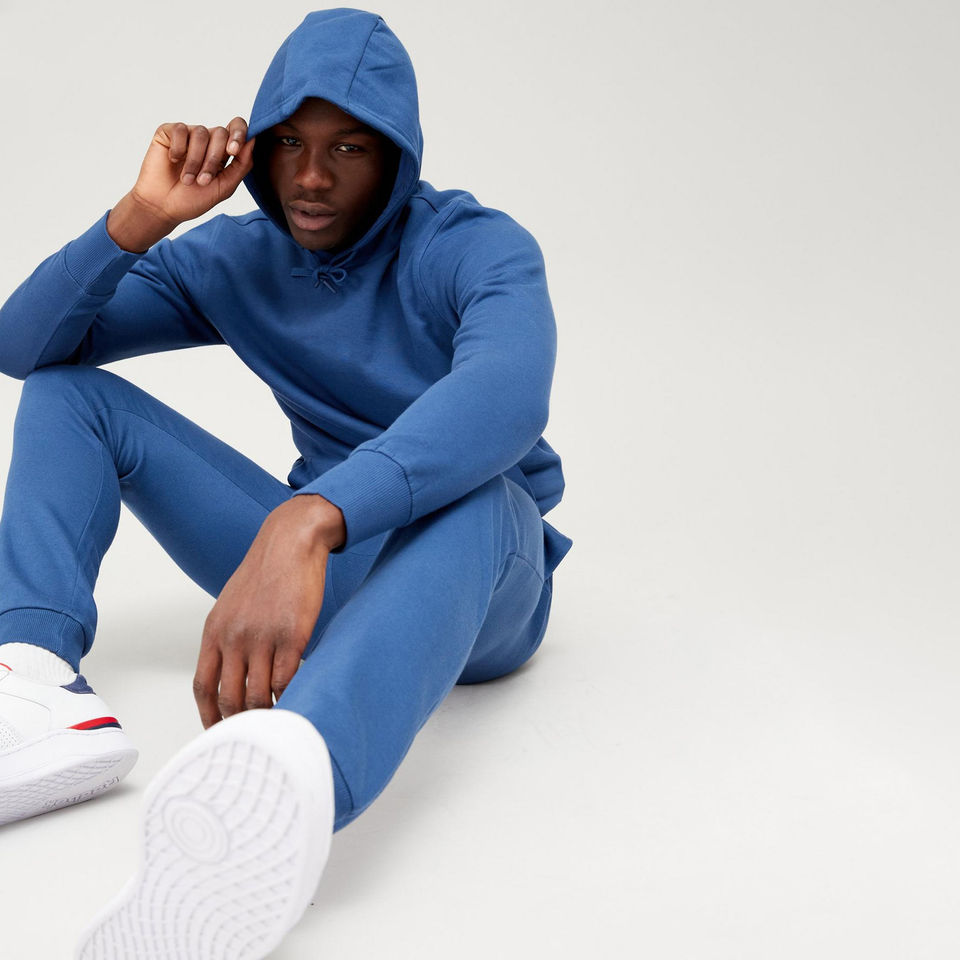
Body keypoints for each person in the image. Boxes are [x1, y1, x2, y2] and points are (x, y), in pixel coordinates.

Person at [0, 7, 572, 958]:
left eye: (349, 147)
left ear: (396, 157)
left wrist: (313, 515)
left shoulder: (475, 246)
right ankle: (30, 684)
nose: (311, 177)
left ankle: (290, 785)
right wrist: (141, 219)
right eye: (291, 144)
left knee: (485, 492)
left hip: (477, 583)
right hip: (312, 575)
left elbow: (508, 394)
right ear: (256, 150)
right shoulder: (238, 261)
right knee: (70, 394)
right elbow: (23, 347)